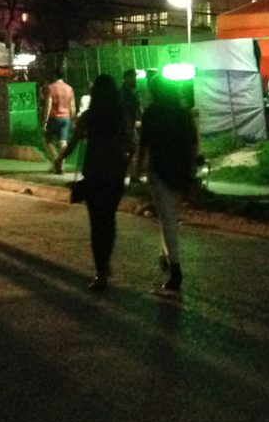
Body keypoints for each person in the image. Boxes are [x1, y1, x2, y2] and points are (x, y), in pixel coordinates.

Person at [59, 75, 136, 293]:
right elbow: (131, 145)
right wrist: (125, 165)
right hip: (114, 176)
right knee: (109, 220)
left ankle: (101, 271)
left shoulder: (88, 118)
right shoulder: (120, 117)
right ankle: (106, 262)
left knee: (96, 224)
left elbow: (73, 143)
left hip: (93, 176)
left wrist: (58, 159)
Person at [133, 76, 198, 300]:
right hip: (180, 170)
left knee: (166, 219)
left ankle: (175, 268)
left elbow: (144, 144)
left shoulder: (152, 112)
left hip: (160, 170)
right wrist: (191, 170)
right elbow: (192, 143)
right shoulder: (182, 112)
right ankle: (166, 255)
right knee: (171, 217)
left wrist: (136, 171)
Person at [42, 72, 75, 174]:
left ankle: (57, 160)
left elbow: (48, 105)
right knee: (63, 142)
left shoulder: (51, 88)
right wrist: (73, 119)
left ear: (55, 76)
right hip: (66, 118)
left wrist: (45, 121)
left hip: (54, 118)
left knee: (48, 141)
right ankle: (61, 165)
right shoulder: (69, 88)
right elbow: (73, 106)